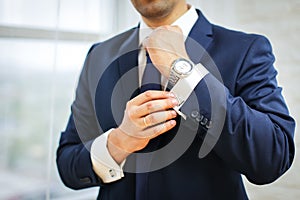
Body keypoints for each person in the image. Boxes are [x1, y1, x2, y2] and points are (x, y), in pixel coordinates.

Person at [56, 0, 296, 199]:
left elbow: (272, 156)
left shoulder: (245, 49)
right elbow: (68, 165)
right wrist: (120, 141)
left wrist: (183, 71)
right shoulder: (99, 54)